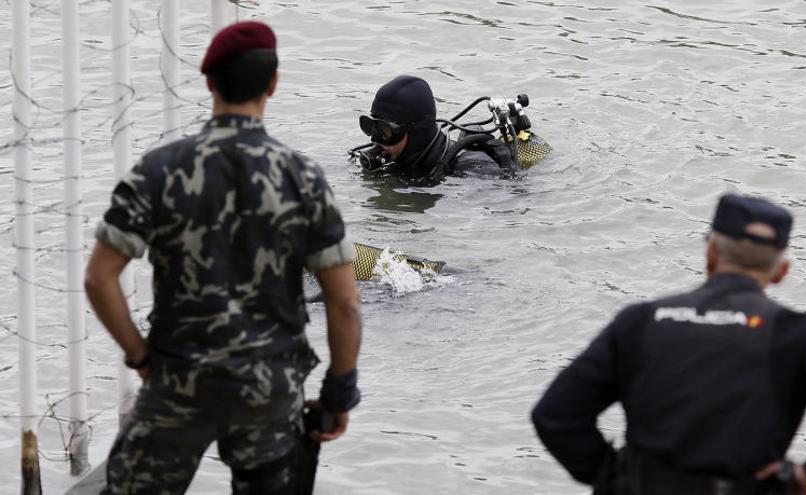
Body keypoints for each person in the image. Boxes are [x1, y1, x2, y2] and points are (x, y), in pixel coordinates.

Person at [84, 21, 362, 494]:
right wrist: (338, 394)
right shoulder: (304, 178)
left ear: (209, 81)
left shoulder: (159, 170)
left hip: (178, 384)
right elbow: (345, 304)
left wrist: (141, 357)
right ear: (273, 85)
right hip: (270, 392)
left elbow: (99, 279)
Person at [531, 194, 806, 495]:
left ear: (710, 253)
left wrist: (610, 476)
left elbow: (556, 415)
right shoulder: (796, 333)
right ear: (781, 271)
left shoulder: (641, 321)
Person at [356, 75, 518, 186]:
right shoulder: (401, 157)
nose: (374, 139)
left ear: (415, 133)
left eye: (385, 131)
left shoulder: (472, 170)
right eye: (371, 126)